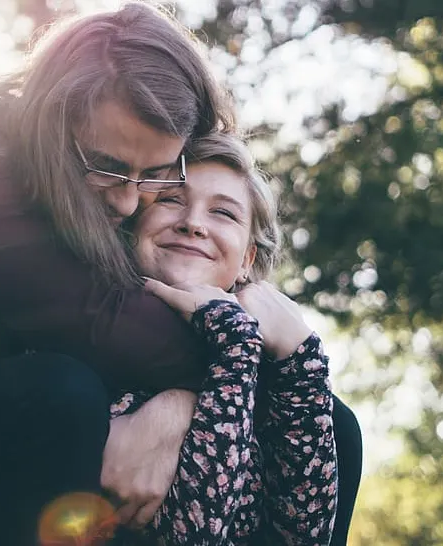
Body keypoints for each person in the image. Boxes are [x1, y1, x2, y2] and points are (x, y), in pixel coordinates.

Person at [0, 3, 361, 545]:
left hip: (25, 461)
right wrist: (236, 375)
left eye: (158, 174)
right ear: (54, 121)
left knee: (330, 427)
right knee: (63, 394)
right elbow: (103, 326)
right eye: (108, 168)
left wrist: (255, 379)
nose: (131, 201)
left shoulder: (129, 199)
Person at [102, 132, 338, 545]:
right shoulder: (89, 340)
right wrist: (235, 345)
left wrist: (303, 365)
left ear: (247, 259)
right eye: (172, 199)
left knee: (344, 427)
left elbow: (305, 538)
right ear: (134, 223)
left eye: (224, 214)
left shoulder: (264, 381)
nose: (193, 223)